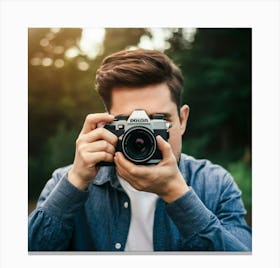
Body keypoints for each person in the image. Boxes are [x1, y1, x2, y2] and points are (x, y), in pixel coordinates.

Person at [28, 49, 252, 251]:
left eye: (159, 120)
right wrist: (76, 181)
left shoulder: (215, 185)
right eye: (129, 123)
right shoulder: (65, 181)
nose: (144, 136)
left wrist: (177, 194)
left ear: (182, 119)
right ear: (107, 124)